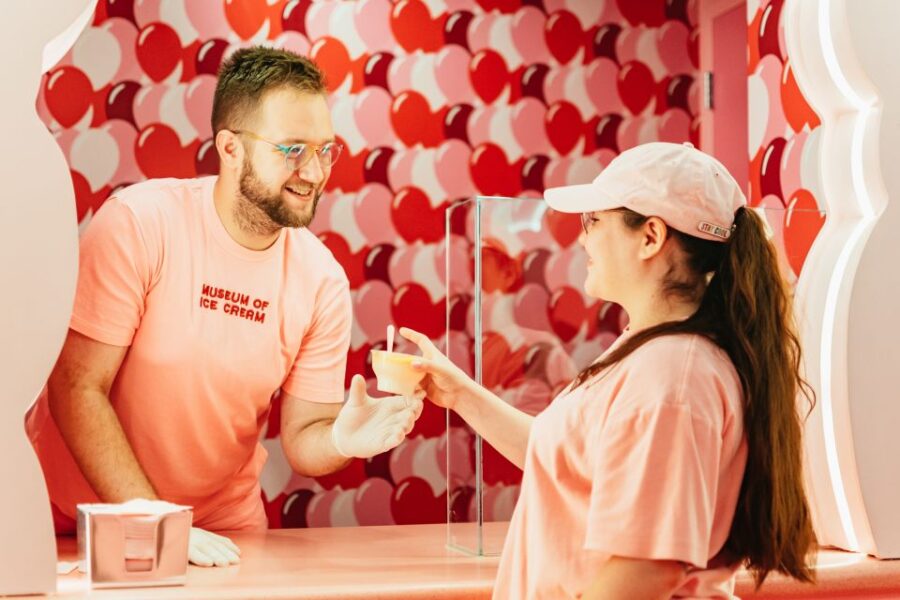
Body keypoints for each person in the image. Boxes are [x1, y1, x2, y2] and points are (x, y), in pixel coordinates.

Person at [26, 46, 422, 568]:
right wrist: (156, 519)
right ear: (230, 149)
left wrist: (343, 439)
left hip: (216, 527)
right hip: (74, 515)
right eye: (291, 149)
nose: (314, 171)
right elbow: (76, 388)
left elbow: (305, 439)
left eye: (326, 149)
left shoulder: (322, 279)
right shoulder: (140, 223)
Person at [400, 142, 817, 598]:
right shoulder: (654, 354)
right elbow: (565, 461)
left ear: (651, 237)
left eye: (594, 221)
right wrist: (459, 393)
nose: (581, 238)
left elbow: (645, 570)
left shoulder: (672, 377)